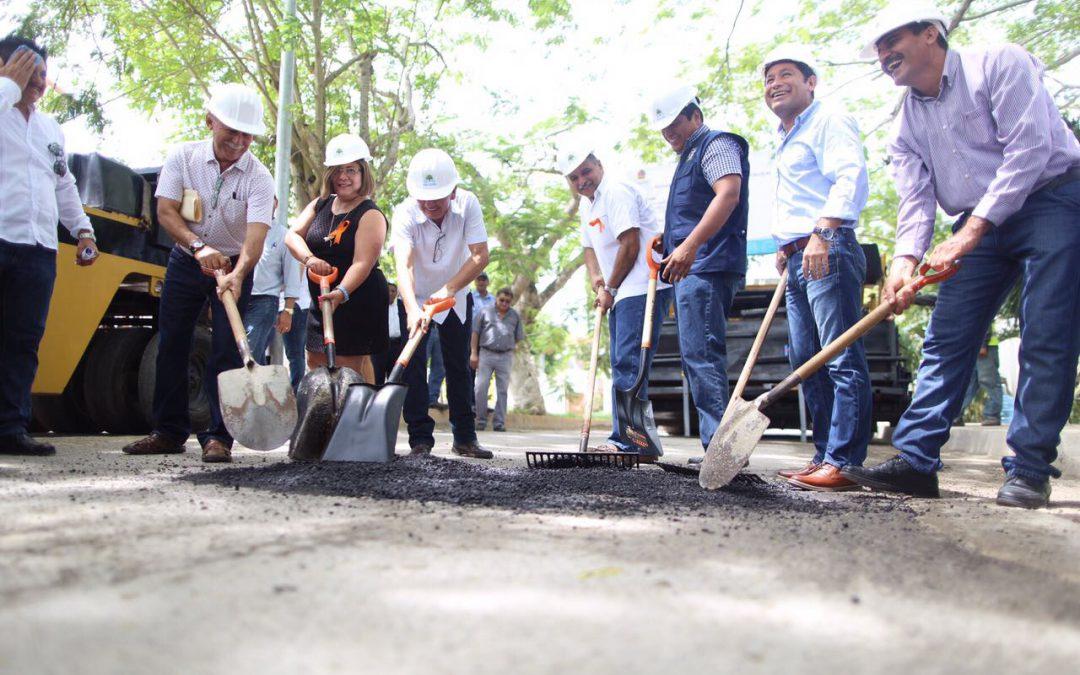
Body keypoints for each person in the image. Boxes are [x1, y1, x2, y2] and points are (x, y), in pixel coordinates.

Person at [841, 5, 1080, 509]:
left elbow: (1030, 149)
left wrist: (970, 232)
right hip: (977, 223)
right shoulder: (904, 122)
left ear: (932, 34)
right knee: (946, 338)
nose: (883, 55)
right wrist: (904, 262)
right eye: (878, 50)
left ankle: (1031, 468)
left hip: (1052, 198)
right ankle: (915, 461)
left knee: (1047, 332)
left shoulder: (1000, 63)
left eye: (891, 41)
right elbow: (916, 200)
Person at [122, 83, 274, 463]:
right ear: (210, 121)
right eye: (231, 131)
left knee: (227, 349)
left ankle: (218, 437)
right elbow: (167, 212)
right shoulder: (183, 158)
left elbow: (255, 237)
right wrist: (198, 248)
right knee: (173, 343)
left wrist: (238, 273)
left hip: (234, 266)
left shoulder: (259, 177)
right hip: (186, 261)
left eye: (247, 133)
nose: (239, 140)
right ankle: (168, 431)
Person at [760, 45, 874, 491]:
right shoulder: (785, 135)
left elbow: (851, 176)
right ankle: (824, 455)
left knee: (839, 355)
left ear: (811, 82)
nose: (775, 84)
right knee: (806, 360)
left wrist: (822, 233)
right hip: (798, 255)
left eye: (786, 74)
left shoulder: (829, 120)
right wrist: (786, 244)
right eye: (769, 80)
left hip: (828, 247)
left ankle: (844, 461)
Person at [0, 36, 99, 456]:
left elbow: (64, 181)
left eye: (43, 73)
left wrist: (83, 230)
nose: (39, 81)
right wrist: (7, 85)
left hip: (38, 248)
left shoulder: (49, 127)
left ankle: (10, 429)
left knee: (23, 341)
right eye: (30, 70)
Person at [646, 85, 750, 460]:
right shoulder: (689, 154)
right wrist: (671, 238)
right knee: (697, 355)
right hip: (696, 265)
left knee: (702, 354)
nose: (669, 134)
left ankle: (720, 451)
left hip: (707, 265)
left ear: (695, 115)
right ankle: (717, 448)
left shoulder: (716, 144)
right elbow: (699, 206)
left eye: (675, 124)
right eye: (664, 129)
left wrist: (687, 247)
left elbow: (728, 195)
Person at [557, 145, 672, 455]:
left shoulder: (616, 192)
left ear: (599, 165)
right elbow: (589, 248)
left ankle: (629, 440)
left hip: (642, 285)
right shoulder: (587, 204)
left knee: (628, 361)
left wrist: (610, 286)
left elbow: (630, 244)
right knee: (623, 361)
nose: (582, 181)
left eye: (586, 171)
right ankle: (637, 440)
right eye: (574, 177)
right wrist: (597, 279)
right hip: (621, 289)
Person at [392, 148, 491, 458]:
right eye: (424, 196)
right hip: (415, 296)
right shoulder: (405, 212)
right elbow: (404, 265)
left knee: (459, 366)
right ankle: (420, 441)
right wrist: (411, 308)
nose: (431, 203)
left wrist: (447, 291)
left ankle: (465, 437)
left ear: (454, 190)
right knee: (414, 369)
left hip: (456, 295)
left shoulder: (468, 204)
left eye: (438, 195)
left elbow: (480, 255)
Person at [285, 133, 389, 384]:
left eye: (351, 170)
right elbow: (293, 236)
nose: (343, 177)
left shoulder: (370, 214)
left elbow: (362, 262)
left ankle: (361, 418)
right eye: (337, 170)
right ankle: (324, 418)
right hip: (322, 300)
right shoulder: (321, 204)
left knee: (348, 368)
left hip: (356, 298)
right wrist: (309, 259)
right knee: (315, 362)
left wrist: (341, 292)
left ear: (364, 173)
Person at [244, 229, 303, 375]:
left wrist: (288, 311)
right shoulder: (239, 227)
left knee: (249, 353)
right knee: (242, 354)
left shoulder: (284, 235)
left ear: (275, 204)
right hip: (237, 297)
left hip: (265, 301)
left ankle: (256, 395)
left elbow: (292, 276)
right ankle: (266, 394)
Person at [471, 287, 525, 432]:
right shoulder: (485, 312)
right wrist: (473, 353)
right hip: (486, 354)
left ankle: (499, 423)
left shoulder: (515, 316)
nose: (504, 303)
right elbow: (475, 333)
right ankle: (480, 420)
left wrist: (514, 352)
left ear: (511, 302)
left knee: (502, 390)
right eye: (502, 300)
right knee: (480, 387)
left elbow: (519, 337)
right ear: (496, 298)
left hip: (505, 356)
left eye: (508, 301)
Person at [956, 330, 1003, 427]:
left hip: (986, 346)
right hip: (971, 346)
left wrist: (983, 344)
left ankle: (992, 415)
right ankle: (955, 415)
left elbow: (984, 319)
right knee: (968, 384)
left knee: (989, 381)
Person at [372, 282, 407, 385]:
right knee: (377, 376)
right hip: (380, 346)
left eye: (393, 291)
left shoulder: (401, 308)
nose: (390, 293)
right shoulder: (377, 307)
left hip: (396, 346)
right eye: (388, 290)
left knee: (395, 377)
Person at [426, 324, 447, 410]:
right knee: (420, 365)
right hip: (424, 328)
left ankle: (432, 399)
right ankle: (418, 399)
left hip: (440, 329)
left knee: (440, 367)